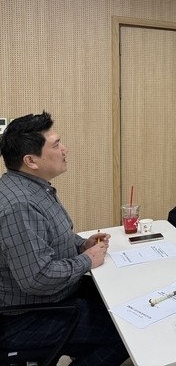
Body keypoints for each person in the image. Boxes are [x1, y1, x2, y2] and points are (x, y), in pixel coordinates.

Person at [0, 112, 128, 365]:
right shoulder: (20, 204)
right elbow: (37, 278)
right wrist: (87, 260)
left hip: (54, 296)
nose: (64, 149)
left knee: (123, 302)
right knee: (125, 334)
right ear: (30, 160)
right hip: (26, 318)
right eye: (56, 144)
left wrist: (81, 245)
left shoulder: (33, 187)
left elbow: (52, 237)